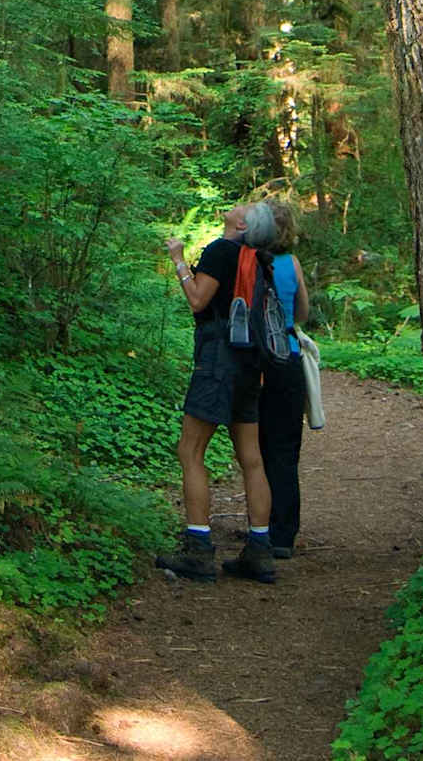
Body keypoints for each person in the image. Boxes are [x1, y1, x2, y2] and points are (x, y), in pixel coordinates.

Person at [156, 199, 279, 585]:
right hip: (249, 364)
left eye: (247, 207)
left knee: (189, 451)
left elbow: (197, 300)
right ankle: (260, 552)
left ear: (242, 226)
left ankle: (198, 549)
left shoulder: (221, 251)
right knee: (251, 457)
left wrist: (178, 260)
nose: (239, 204)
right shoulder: (258, 259)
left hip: (217, 361)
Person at [259, 197, 310, 558]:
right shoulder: (292, 264)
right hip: (289, 358)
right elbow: (302, 312)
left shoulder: (249, 263)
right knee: (285, 450)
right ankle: (283, 534)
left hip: (258, 363)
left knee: (258, 448)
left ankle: (260, 527)